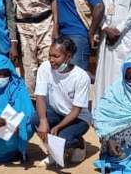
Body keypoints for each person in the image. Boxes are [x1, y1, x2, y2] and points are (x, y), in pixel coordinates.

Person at [32, 37, 92, 166]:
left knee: (63, 138)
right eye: (50, 55)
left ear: (68, 57)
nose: (51, 60)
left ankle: (79, 144)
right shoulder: (45, 67)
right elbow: (40, 97)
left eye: (56, 56)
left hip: (78, 118)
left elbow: (77, 110)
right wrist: (43, 121)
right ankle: (53, 153)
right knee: (36, 119)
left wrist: (58, 127)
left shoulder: (81, 77)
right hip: (57, 112)